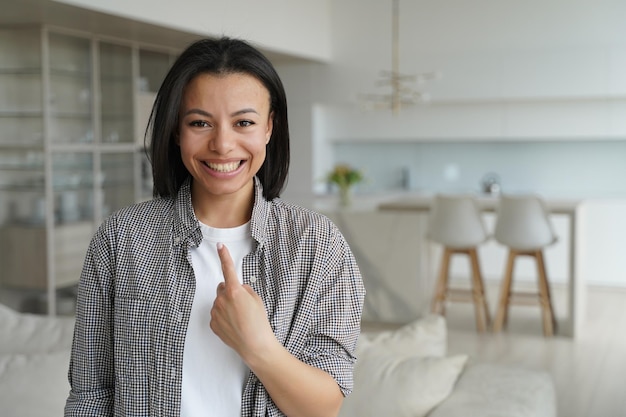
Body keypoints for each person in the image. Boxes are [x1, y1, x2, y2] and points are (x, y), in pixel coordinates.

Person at [64, 37, 365, 417]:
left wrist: (258, 347)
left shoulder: (318, 245)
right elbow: (90, 395)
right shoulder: (120, 239)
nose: (222, 144)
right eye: (200, 122)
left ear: (269, 128)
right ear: (176, 130)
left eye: (244, 122)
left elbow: (323, 408)